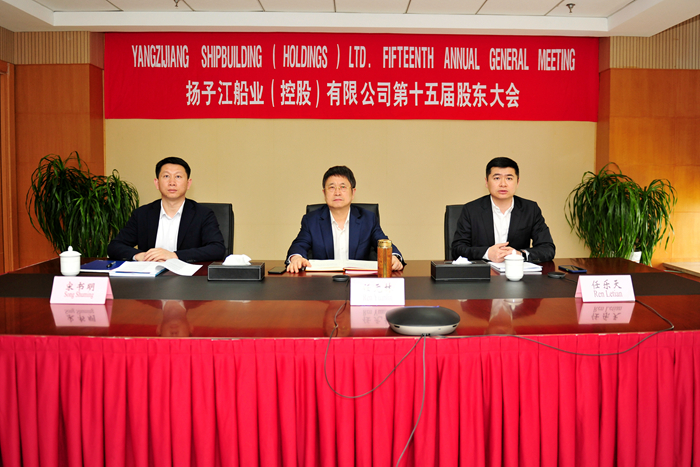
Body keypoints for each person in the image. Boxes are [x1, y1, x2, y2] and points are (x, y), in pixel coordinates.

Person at [286, 166, 405, 273]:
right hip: (323, 283)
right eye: (332, 187)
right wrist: (296, 258)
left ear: (353, 192)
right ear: (324, 193)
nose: (337, 192)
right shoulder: (311, 220)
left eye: (343, 187)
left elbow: (382, 242)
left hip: (358, 282)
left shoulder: (368, 219)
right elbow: (299, 245)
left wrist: (393, 257)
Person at [107, 157, 225, 263]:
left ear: (188, 183)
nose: (172, 183)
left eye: (178, 177)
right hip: (149, 277)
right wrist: (140, 255)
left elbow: (217, 249)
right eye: (166, 176)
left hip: (187, 277)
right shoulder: (142, 214)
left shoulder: (203, 214)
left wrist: (174, 255)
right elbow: (115, 246)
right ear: (157, 183)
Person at [451, 157, 555, 263]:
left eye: (509, 178)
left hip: (517, 270)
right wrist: (487, 253)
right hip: (484, 271)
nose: (503, 184)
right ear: (486, 182)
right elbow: (457, 249)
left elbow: (548, 248)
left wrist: (520, 254)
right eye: (497, 178)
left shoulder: (530, 209)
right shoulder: (471, 210)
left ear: (518, 182)